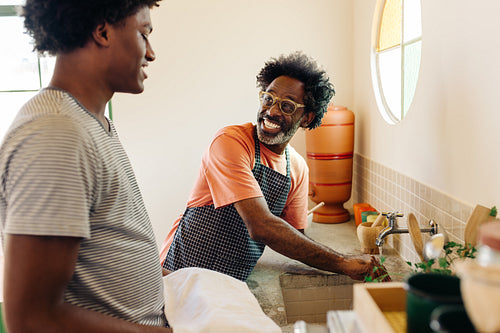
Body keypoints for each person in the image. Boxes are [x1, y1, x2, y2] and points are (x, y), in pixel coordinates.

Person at [0, 1, 172, 332]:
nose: (151, 53)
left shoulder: (90, 121)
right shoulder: (56, 132)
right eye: (143, 34)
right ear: (103, 31)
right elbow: (32, 318)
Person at [159, 52, 389, 283]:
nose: (271, 111)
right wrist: (343, 262)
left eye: (287, 106)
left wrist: (342, 258)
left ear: (307, 118)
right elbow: (261, 226)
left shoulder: (297, 169)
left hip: (230, 285)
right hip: (178, 274)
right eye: (268, 99)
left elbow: (295, 239)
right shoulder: (231, 142)